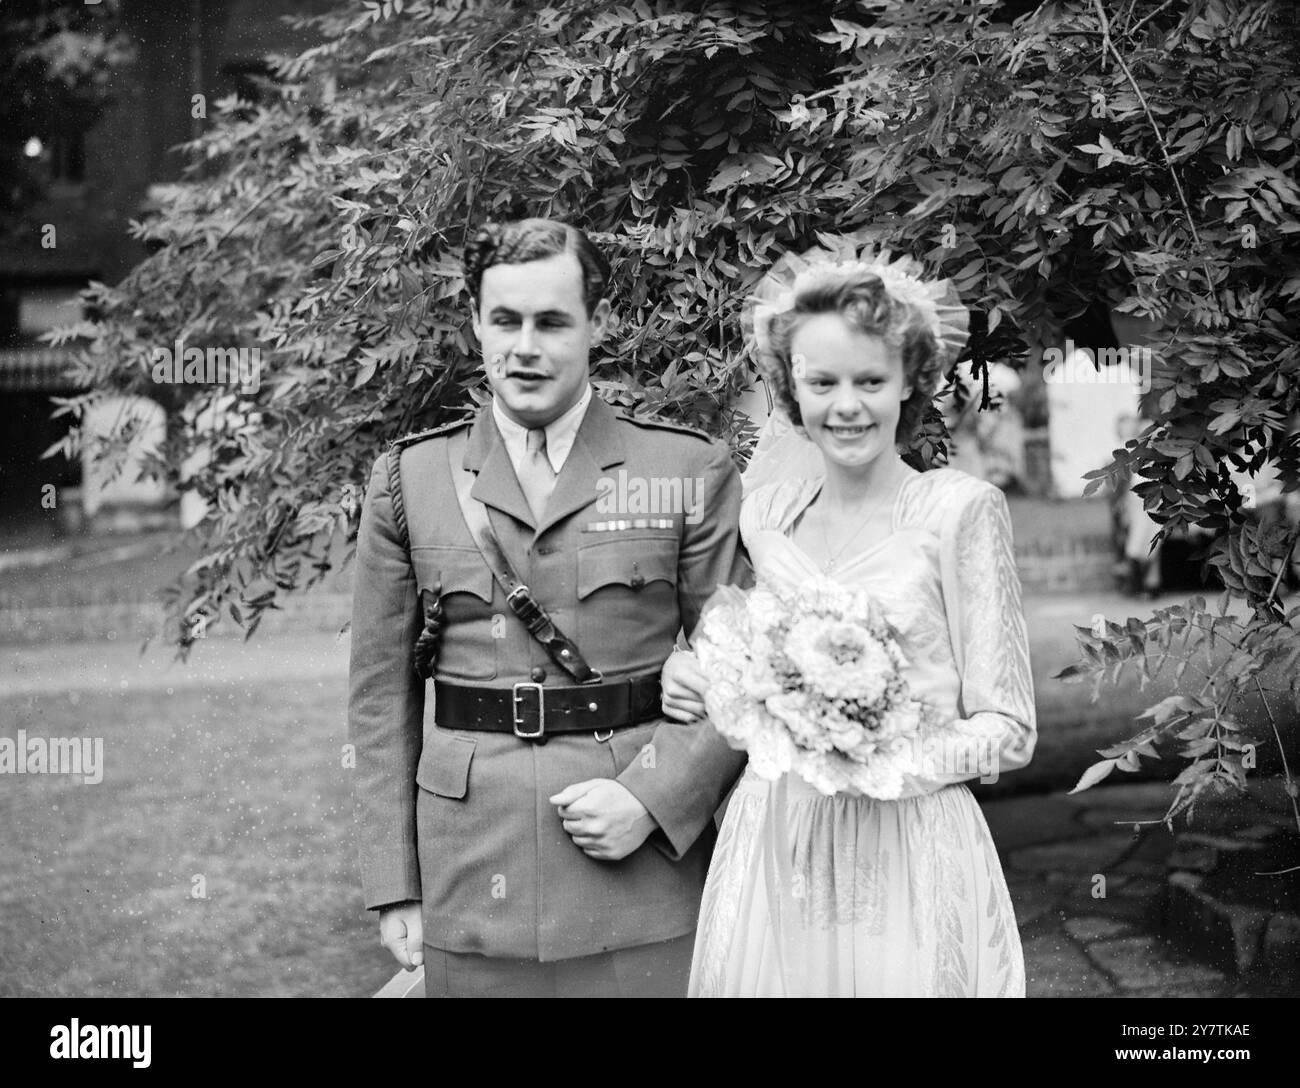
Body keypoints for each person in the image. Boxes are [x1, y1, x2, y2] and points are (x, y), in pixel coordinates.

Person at [349, 218, 748, 998]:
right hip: (470, 873)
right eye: (505, 321)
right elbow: (377, 699)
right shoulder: (410, 480)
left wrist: (652, 796)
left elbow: (745, 668)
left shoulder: (683, 470)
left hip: (639, 872)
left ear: (597, 324)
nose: (524, 346)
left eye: (552, 322)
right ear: (475, 322)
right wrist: (393, 880)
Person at [660, 248, 1037, 997]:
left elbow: (1009, 726)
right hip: (779, 839)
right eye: (821, 381)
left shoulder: (958, 511)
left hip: (908, 844)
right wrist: (687, 668)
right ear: (789, 386)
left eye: (870, 380)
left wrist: (881, 759)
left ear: (911, 382)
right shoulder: (764, 514)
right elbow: (731, 652)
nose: (846, 405)